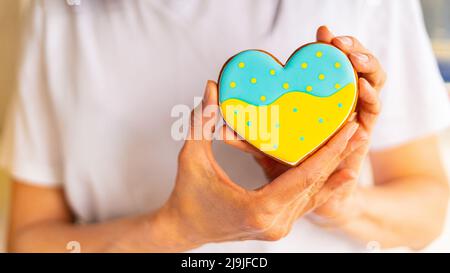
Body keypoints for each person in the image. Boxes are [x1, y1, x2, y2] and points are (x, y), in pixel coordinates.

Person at [1, 0, 449, 252]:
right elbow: (28, 240)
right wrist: (176, 229)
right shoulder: (57, 13)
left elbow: (427, 210)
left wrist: (339, 205)